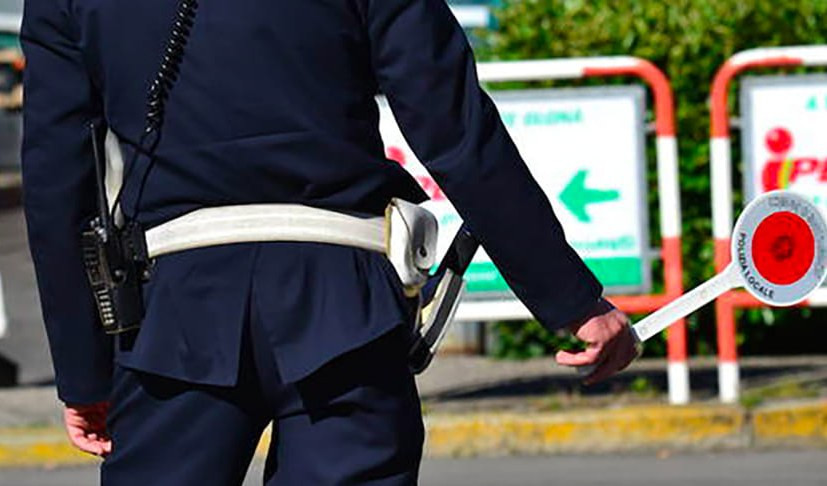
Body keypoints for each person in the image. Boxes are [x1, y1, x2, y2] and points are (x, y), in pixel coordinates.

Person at [20, 0, 639, 484]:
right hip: (344, 309)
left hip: (173, 321)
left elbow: (56, 183)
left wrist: (85, 373)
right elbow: (457, 131)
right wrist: (571, 301)